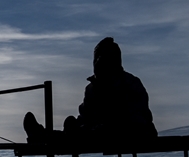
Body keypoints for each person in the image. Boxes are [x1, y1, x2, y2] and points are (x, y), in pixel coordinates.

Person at [23, 37, 157, 144]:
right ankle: (41, 136)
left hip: (133, 132)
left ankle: (47, 136)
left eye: (104, 60)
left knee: (87, 133)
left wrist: (100, 126)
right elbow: (85, 116)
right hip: (100, 132)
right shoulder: (93, 88)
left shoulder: (129, 83)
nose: (100, 63)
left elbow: (136, 118)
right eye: (97, 60)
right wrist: (78, 126)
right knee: (73, 133)